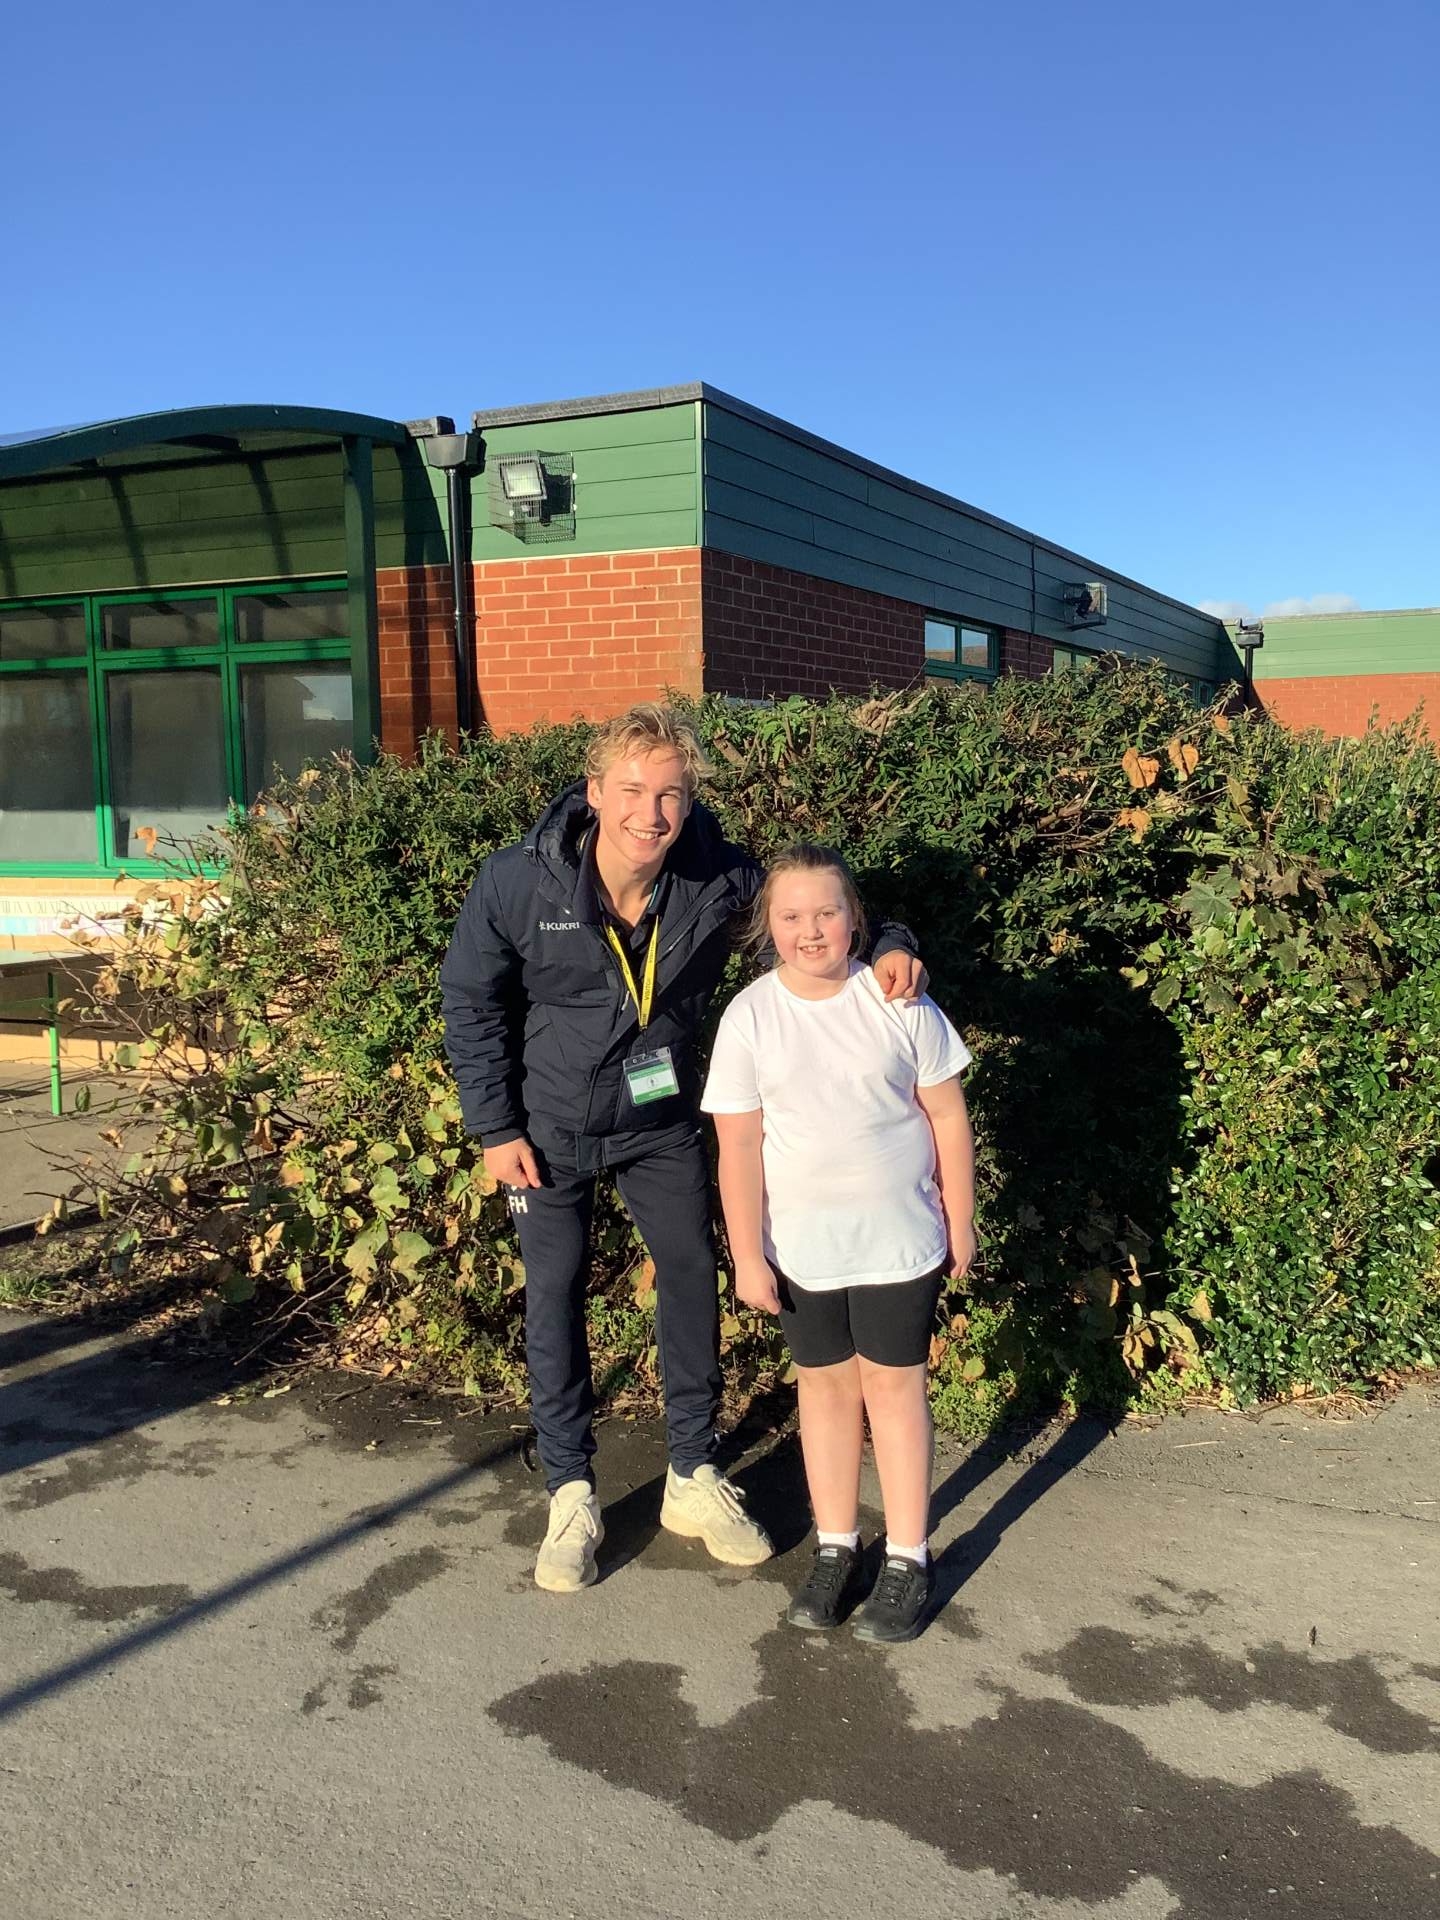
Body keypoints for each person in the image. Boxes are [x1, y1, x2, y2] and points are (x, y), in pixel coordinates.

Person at [440, 705, 926, 1594]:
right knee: (554, 1292)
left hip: (658, 1122)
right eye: (632, 790)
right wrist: (495, 1127)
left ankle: (692, 1474)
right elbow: (470, 1001)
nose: (650, 812)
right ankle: (570, 1490)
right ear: (595, 793)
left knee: (693, 1274)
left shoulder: (720, 878)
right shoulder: (518, 880)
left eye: (669, 794)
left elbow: (823, 914)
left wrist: (893, 944)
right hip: (546, 1130)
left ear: (689, 800)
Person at [701, 843, 976, 1643]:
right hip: (801, 1250)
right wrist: (747, 1255)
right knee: (823, 1394)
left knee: (893, 1391)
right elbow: (738, 1146)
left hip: (899, 1242)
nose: (811, 930)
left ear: (856, 918)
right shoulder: (750, 1016)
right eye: (791, 916)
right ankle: (836, 1547)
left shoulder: (900, 1002)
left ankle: (909, 1556)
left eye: (827, 912)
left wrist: (961, 1219)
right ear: (769, 925)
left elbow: (948, 1115)